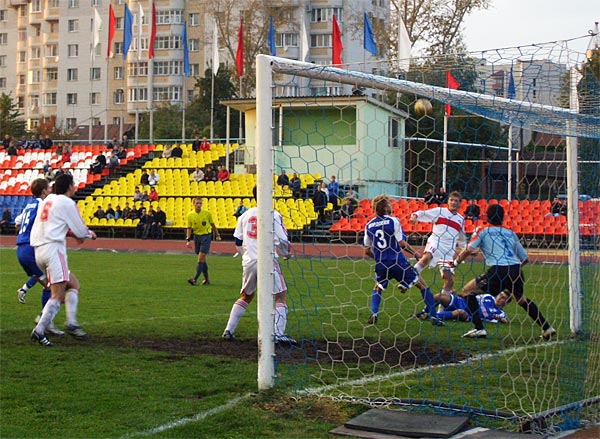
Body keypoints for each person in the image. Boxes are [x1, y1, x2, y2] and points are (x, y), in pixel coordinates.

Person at [453, 204, 556, 339]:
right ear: (503, 217)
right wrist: (512, 271)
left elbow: (468, 250)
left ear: (487, 217)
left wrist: (454, 263)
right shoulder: (511, 233)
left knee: (468, 292)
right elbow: (525, 258)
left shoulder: (483, 231)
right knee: (521, 299)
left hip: (499, 269)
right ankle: (547, 327)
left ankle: (479, 328)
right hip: (516, 269)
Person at [29, 174, 97, 346]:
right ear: (69, 186)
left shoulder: (47, 200)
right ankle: (39, 330)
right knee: (58, 295)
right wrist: (88, 234)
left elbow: (53, 223)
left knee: (73, 284)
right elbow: (81, 230)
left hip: (38, 250)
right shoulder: (67, 202)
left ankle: (71, 322)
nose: (74, 188)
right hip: (54, 250)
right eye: (73, 185)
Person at [223, 186, 296, 344]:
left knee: (247, 296)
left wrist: (246, 255)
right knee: (280, 295)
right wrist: (286, 253)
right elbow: (283, 239)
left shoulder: (245, 215)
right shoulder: (274, 215)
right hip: (267, 260)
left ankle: (228, 330)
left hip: (249, 261)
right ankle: (277, 333)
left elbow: (237, 241)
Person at [364, 195, 444, 326]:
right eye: (389, 203)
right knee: (422, 285)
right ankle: (434, 317)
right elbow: (401, 243)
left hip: (381, 264)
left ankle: (374, 313)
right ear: (385, 208)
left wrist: (378, 259)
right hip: (397, 262)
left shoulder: (369, 225)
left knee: (377, 287)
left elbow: (367, 251)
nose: (391, 205)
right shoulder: (393, 221)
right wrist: (415, 253)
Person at [14, 179, 64, 336]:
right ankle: (45, 321)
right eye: (48, 189)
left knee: (48, 282)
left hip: (21, 249)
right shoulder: (42, 205)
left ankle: (25, 291)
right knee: (52, 285)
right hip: (32, 248)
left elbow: (17, 222)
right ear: (43, 192)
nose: (50, 191)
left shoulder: (29, 205)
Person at [410, 191, 466, 295]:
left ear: (460, 203)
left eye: (456, 201)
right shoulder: (440, 211)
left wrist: (465, 250)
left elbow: (462, 238)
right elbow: (424, 213)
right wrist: (415, 216)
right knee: (427, 256)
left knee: (449, 280)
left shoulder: (460, 220)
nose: (453, 202)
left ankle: (442, 308)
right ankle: (407, 280)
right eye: (451, 200)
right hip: (436, 242)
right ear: (448, 201)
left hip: (448, 251)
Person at [415, 290, 509, 324]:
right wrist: (457, 294)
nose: (500, 298)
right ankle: (423, 312)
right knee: (439, 296)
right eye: (500, 295)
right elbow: (470, 296)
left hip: (469, 314)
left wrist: (501, 319)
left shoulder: (500, 313)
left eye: (503, 298)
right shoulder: (488, 297)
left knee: (460, 312)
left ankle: (432, 316)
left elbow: (505, 320)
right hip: (462, 302)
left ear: (507, 302)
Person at [185, 197, 221, 285]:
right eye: (197, 203)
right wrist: (188, 239)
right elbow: (189, 228)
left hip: (206, 237)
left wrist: (217, 235)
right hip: (196, 237)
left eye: (200, 203)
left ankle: (194, 279)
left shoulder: (207, 213)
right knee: (202, 260)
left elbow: (213, 225)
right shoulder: (190, 215)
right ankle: (207, 280)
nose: (199, 205)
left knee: (200, 257)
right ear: (193, 204)